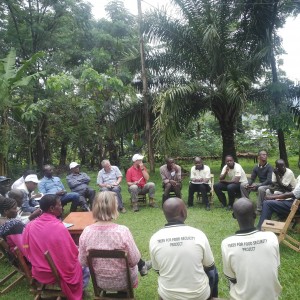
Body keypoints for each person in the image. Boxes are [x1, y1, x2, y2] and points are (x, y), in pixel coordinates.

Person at [79, 191, 152, 292]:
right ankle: (143, 267)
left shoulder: (86, 232)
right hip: (125, 281)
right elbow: (134, 260)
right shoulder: (122, 231)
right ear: (113, 207)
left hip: (100, 281)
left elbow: (83, 261)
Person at [149, 197, 218, 300]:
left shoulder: (154, 239)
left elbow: (158, 270)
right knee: (213, 271)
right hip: (199, 296)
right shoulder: (198, 234)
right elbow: (209, 266)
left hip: (168, 296)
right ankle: (214, 297)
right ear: (183, 212)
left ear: (165, 214)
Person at [23, 194, 83, 300]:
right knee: (81, 263)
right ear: (51, 208)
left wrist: (33, 255)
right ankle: (81, 290)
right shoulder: (59, 227)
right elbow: (71, 252)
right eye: (59, 205)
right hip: (53, 273)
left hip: (38, 270)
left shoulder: (29, 226)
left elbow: (25, 246)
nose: (62, 207)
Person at [221, 198, 282, 299]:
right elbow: (276, 267)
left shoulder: (227, 244)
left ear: (234, 216)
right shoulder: (271, 237)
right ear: (255, 215)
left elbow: (231, 278)